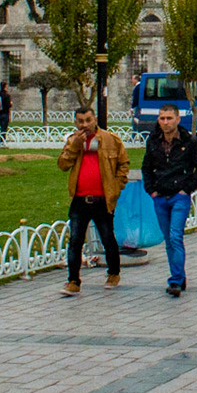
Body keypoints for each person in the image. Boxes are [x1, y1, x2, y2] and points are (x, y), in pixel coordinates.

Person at [58, 106, 129, 296]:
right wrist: (75, 147)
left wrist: (117, 186)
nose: (85, 125)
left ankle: (113, 273)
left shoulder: (109, 139)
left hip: (102, 198)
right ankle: (73, 281)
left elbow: (123, 164)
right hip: (80, 199)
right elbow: (63, 165)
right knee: (75, 241)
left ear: (95, 119)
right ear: (75, 123)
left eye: (88, 120)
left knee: (107, 237)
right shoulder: (73, 141)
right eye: (80, 121)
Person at [142, 104, 197, 296]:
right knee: (169, 241)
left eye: (169, 118)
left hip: (179, 195)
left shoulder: (190, 142)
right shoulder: (153, 141)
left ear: (177, 119)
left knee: (175, 236)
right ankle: (178, 274)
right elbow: (147, 167)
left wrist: (186, 189)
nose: (165, 122)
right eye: (162, 118)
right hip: (160, 196)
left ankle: (176, 280)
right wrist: (151, 190)